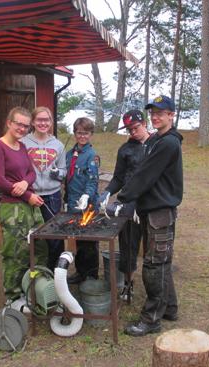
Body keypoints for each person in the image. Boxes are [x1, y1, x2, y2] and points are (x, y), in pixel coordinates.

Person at [101, 95, 183, 337]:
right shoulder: (158, 140)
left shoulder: (168, 143)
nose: (156, 116)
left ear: (171, 115)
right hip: (153, 210)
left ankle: (151, 320)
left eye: (161, 112)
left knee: (154, 266)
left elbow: (144, 175)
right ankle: (170, 308)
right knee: (162, 263)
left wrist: (121, 201)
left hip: (160, 212)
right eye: (153, 113)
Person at [0, 106, 48, 308]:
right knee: (15, 253)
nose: (22, 129)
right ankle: (12, 297)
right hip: (13, 208)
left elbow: (31, 173)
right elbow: (0, 181)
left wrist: (24, 184)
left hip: (30, 206)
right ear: (9, 123)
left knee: (39, 248)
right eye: (18, 124)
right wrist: (28, 193)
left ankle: (33, 288)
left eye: (25, 125)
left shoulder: (21, 147)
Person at [98, 110, 150, 301]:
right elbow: (119, 178)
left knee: (152, 248)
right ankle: (128, 285)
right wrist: (107, 193)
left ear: (144, 123)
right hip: (128, 204)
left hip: (153, 203)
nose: (133, 133)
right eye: (129, 129)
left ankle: (155, 287)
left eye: (135, 128)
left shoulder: (157, 145)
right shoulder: (125, 150)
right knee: (128, 246)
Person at [21, 106, 66, 270]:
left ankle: (55, 272)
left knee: (55, 236)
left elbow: (63, 172)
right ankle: (31, 271)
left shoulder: (58, 145)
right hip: (29, 196)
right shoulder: (23, 143)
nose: (43, 123)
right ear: (32, 122)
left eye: (46, 120)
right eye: (39, 120)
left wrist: (57, 173)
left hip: (52, 196)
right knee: (29, 234)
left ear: (51, 122)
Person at [65, 117, 99, 284]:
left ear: (91, 134)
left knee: (90, 243)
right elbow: (67, 177)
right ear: (75, 133)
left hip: (88, 205)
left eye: (86, 133)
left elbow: (93, 181)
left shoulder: (92, 156)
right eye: (79, 133)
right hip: (73, 203)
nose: (82, 136)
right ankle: (80, 272)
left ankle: (92, 276)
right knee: (77, 239)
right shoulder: (70, 154)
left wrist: (86, 195)